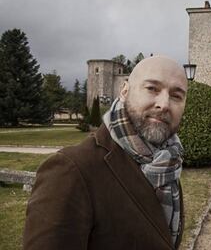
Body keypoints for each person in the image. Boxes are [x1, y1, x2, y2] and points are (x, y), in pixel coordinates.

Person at [23, 56, 188, 250]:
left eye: (176, 96)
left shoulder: (167, 161)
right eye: (152, 88)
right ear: (124, 91)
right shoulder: (70, 170)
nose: (164, 104)